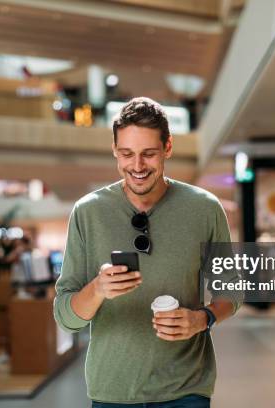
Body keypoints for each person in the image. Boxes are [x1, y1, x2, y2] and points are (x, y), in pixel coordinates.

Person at [54, 97, 241, 407]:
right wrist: (98, 289)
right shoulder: (88, 213)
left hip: (185, 390)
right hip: (113, 392)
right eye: (126, 154)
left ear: (167, 147)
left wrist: (203, 318)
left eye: (148, 154)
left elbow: (231, 290)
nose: (137, 166)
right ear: (114, 149)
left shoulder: (205, 209)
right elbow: (66, 317)